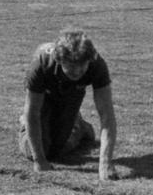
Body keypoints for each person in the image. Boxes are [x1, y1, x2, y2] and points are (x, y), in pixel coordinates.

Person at [19, 27, 118, 182]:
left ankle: (79, 125)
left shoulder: (97, 64)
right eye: (71, 66)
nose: (77, 71)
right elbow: (33, 114)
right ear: (59, 60)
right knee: (35, 150)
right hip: (44, 95)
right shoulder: (41, 64)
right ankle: (25, 124)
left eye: (82, 66)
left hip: (71, 94)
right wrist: (39, 161)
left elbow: (107, 116)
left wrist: (105, 163)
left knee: (57, 150)